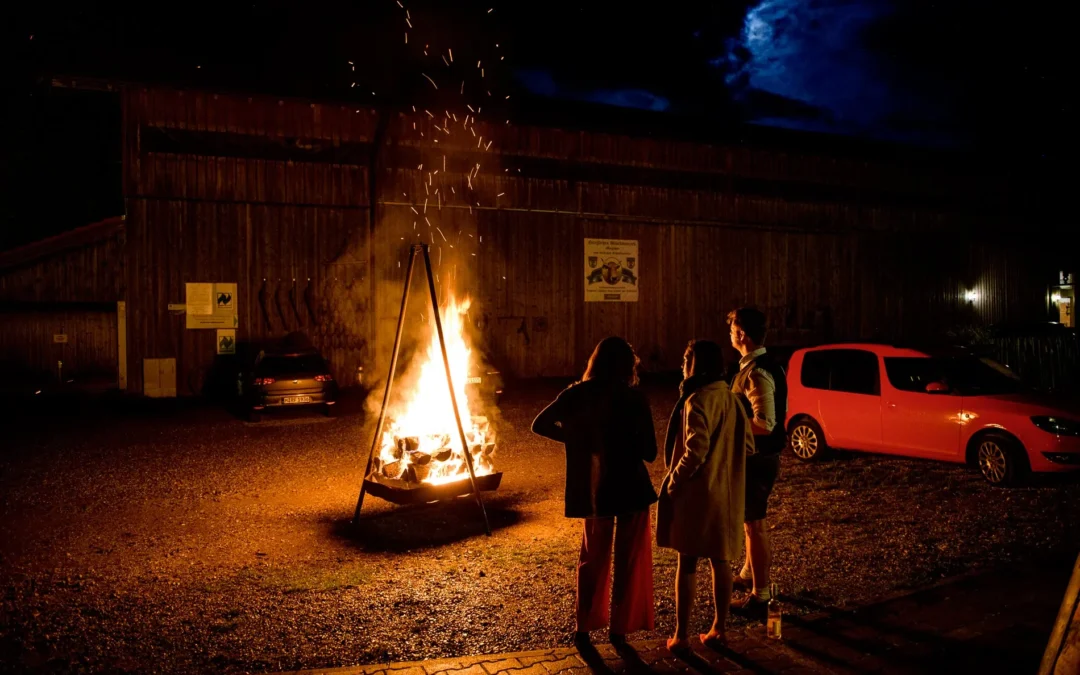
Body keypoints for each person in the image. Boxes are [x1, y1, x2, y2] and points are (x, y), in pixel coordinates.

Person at [531, 337, 658, 647]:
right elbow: (650, 452)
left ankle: (584, 628)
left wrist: (578, 441)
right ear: (628, 366)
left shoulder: (576, 394)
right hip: (631, 487)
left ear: (595, 362)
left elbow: (540, 424)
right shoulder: (634, 398)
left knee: (593, 558)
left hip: (595, 489)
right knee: (630, 560)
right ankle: (620, 629)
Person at [656, 340, 753, 651]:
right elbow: (749, 445)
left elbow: (695, 450)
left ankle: (681, 636)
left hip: (698, 495)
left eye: (685, 363)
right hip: (727, 494)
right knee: (720, 560)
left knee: (687, 562)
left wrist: (674, 480)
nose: (682, 369)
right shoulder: (731, 398)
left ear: (692, 365)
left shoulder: (697, 399)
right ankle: (718, 629)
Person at [727, 307, 788, 617]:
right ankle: (750, 573)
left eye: (732, 329)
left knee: (755, 525)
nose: (730, 335)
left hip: (758, 458)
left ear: (742, 335)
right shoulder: (759, 367)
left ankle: (760, 594)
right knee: (750, 521)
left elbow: (765, 422)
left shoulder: (757, 372)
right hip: (758, 458)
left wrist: (728, 422)